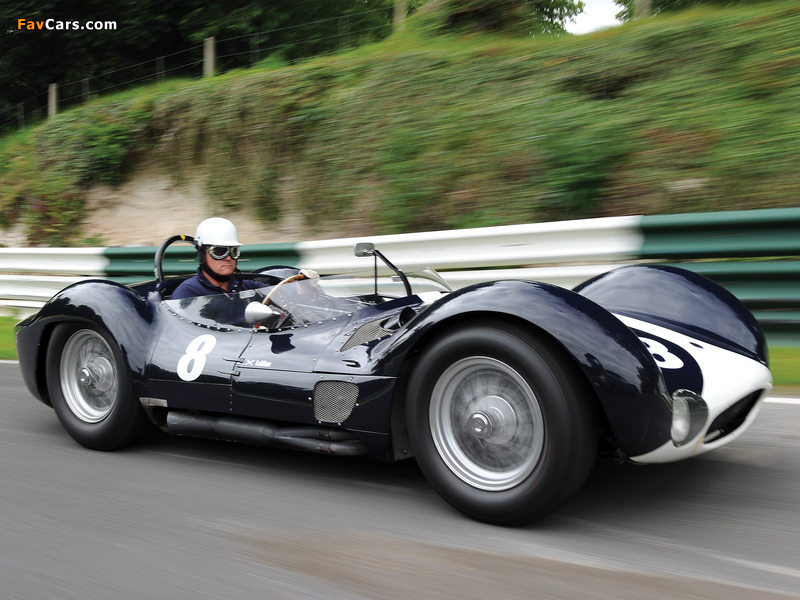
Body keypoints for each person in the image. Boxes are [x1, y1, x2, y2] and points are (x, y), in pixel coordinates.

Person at [171, 217, 269, 300]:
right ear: (202, 254)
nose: (228, 257)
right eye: (219, 251)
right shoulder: (187, 292)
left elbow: (277, 294)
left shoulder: (246, 287)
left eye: (233, 251)